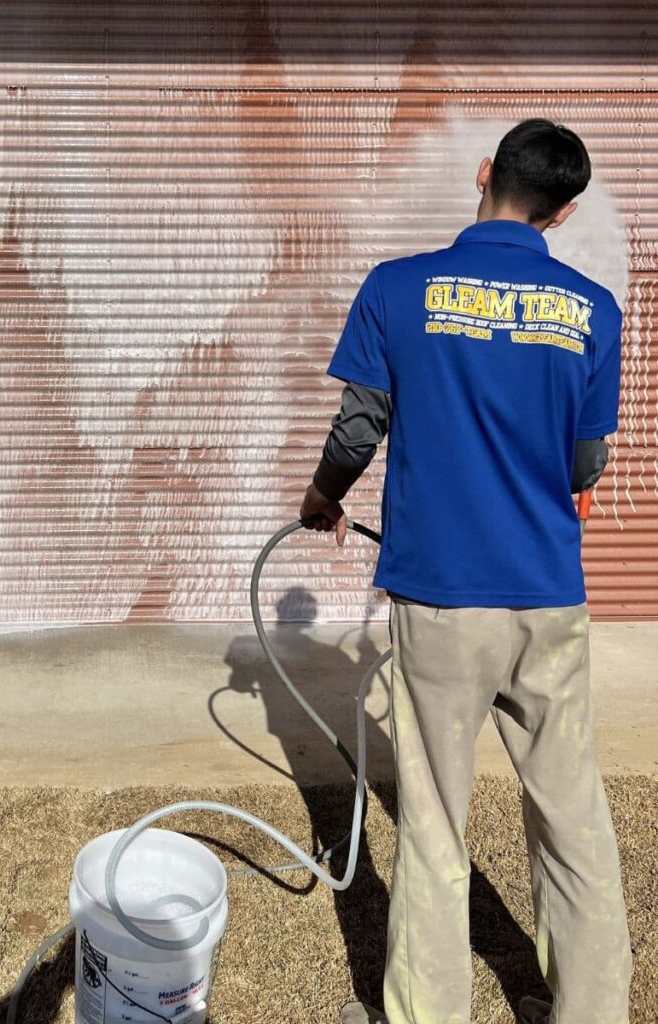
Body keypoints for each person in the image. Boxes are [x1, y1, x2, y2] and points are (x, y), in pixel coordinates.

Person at [300, 119, 633, 1024]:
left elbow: (357, 431)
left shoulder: (398, 289)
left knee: (438, 821)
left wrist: (324, 499)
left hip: (442, 603)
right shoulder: (592, 310)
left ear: (486, 174)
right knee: (572, 818)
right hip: (548, 603)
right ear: (561, 214)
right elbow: (584, 465)